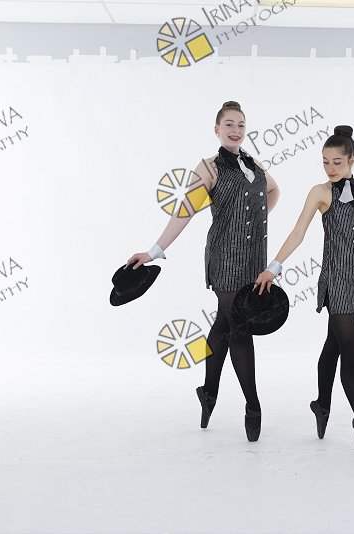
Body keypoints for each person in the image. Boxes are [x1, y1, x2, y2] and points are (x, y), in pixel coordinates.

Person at [126, 101, 280, 442]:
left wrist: (253, 220)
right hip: (225, 258)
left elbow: (273, 190)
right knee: (240, 326)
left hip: (254, 259)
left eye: (240, 124)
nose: (235, 130)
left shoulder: (253, 163)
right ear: (217, 129)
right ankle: (253, 406)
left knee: (224, 324)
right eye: (229, 124)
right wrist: (154, 251)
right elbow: (185, 210)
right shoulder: (209, 168)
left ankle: (208, 392)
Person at [253, 125, 354, 459]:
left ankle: (321, 405)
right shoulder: (320, 192)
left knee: (333, 345)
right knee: (350, 352)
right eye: (325, 161)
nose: (329, 168)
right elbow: (298, 232)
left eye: (337, 162)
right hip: (335, 281)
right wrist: (273, 267)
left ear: (352, 159)